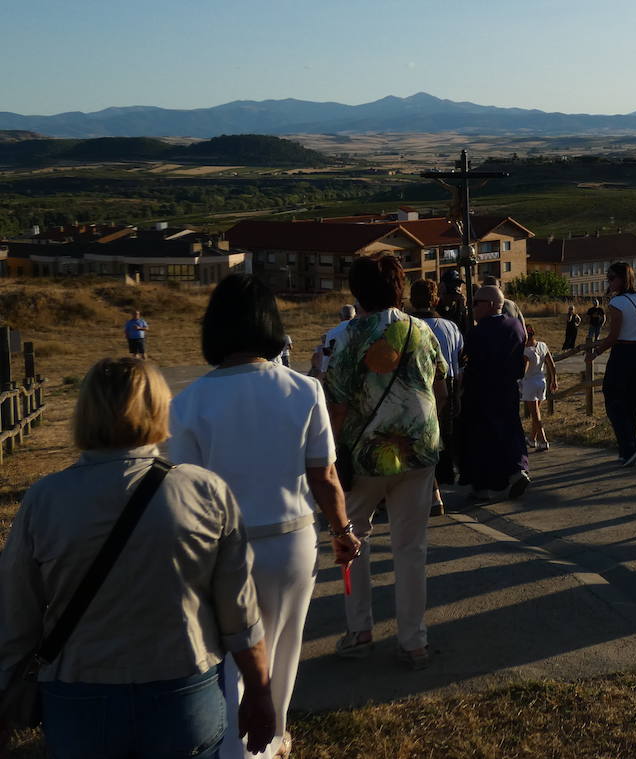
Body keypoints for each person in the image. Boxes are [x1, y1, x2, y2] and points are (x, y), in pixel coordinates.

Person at [0, 358, 275, 758]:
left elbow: (15, 614)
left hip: (79, 695)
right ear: (159, 408)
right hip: (183, 690)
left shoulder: (45, 499)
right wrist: (259, 689)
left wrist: (6, 696)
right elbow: (240, 612)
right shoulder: (205, 491)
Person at [169, 274, 360, 759]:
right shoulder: (304, 389)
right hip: (291, 540)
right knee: (284, 645)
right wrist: (343, 530)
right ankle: (271, 739)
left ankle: (232, 747)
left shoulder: (188, 402)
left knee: (227, 654)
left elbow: (183, 491)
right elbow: (325, 476)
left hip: (218, 548)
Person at [323, 254, 448, 671]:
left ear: (357, 292)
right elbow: (440, 386)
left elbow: (338, 403)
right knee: (411, 548)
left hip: (366, 454)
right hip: (419, 450)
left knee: (352, 540)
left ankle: (359, 630)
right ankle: (414, 642)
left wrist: (333, 454)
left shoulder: (351, 335)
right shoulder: (422, 330)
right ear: (399, 288)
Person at [459, 285, 532, 500]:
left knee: (483, 439)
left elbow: (468, 361)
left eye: (476, 303)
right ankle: (517, 470)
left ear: (491, 304)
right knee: (511, 429)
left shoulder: (478, 332)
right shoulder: (516, 326)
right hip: (509, 388)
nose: (472, 308)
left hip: (482, 391)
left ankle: (486, 486)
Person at [410, 278, 464, 513]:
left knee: (420, 441)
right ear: (436, 300)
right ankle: (439, 486)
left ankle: (430, 491)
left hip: (419, 387)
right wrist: (457, 394)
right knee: (442, 437)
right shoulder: (450, 327)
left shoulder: (408, 326)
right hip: (448, 384)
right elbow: (459, 364)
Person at [591, 261, 636, 467]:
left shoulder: (617, 303)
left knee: (613, 398)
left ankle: (630, 446)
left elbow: (614, 336)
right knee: (633, 400)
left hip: (623, 353)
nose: (608, 282)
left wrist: (596, 352)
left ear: (622, 279)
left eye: (611, 278)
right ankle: (628, 449)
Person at [521, 327, 558, 452]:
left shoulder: (525, 351)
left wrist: (518, 379)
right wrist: (554, 380)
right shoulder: (542, 345)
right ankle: (532, 439)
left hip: (529, 383)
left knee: (535, 414)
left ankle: (543, 440)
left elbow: (524, 369)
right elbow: (551, 364)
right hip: (541, 382)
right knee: (536, 413)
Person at [318, 304, 357, 376]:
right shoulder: (360, 330)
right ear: (355, 316)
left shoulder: (331, 333)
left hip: (339, 371)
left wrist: (323, 370)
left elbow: (327, 354)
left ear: (340, 316)